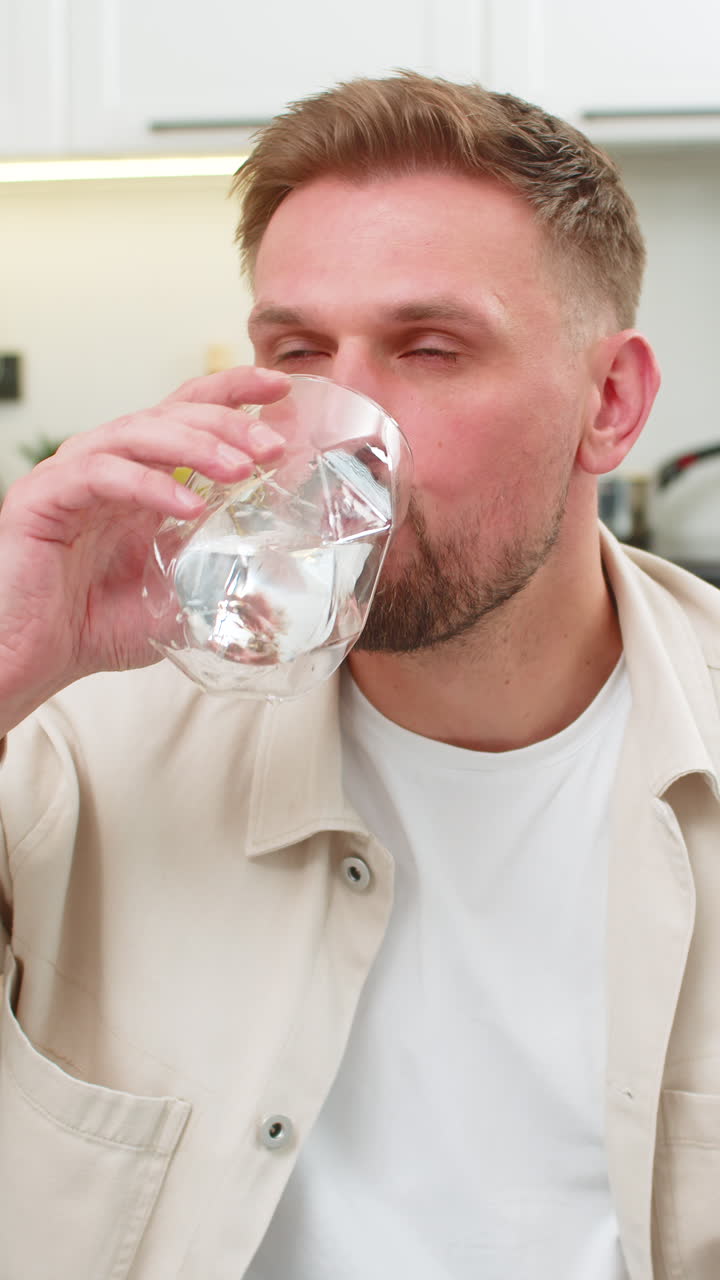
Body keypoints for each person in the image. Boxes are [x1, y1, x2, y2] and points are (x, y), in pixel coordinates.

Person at [0, 71, 718, 1280]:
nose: (343, 422)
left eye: (430, 349)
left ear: (609, 403)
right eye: (298, 351)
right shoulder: (72, 733)